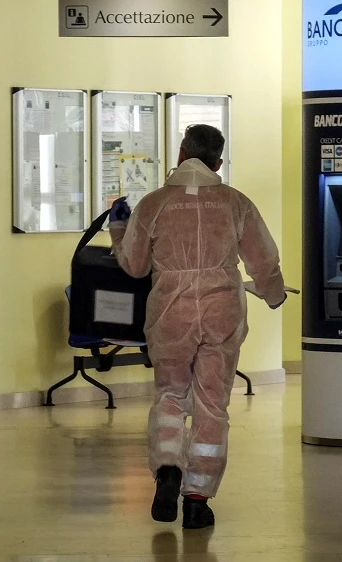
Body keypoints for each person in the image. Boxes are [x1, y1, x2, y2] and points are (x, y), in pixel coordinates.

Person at [108, 124, 286, 530]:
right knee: (212, 404)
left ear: (181, 152)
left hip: (170, 313)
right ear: (218, 162)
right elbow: (263, 260)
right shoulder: (235, 203)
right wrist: (274, 294)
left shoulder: (154, 204)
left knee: (170, 394)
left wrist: (119, 228)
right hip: (223, 309)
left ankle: (168, 467)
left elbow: (134, 267)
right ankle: (197, 500)